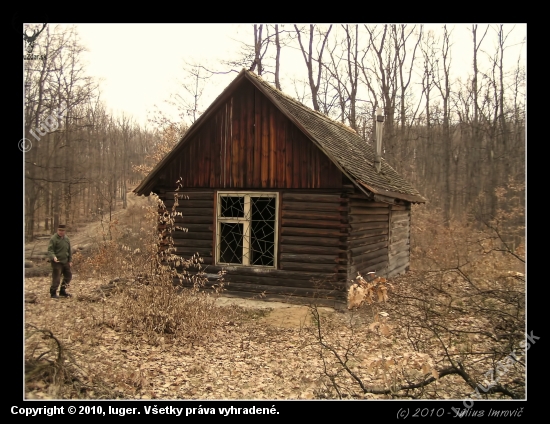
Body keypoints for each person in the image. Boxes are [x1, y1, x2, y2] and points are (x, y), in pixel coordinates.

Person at [47, 224, 72, 298]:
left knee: (68, 276)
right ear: (57, 230)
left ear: (65, 231)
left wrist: (70, 260)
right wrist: (53, 257)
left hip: (65, 261)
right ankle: (53, 292)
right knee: (56, 278)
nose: (61, 232)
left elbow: (69, 250)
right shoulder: (53, 239)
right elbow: (50, 250)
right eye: (60, 230)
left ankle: (62, 291)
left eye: (63, 230)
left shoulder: (66, 239)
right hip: (57, 262)